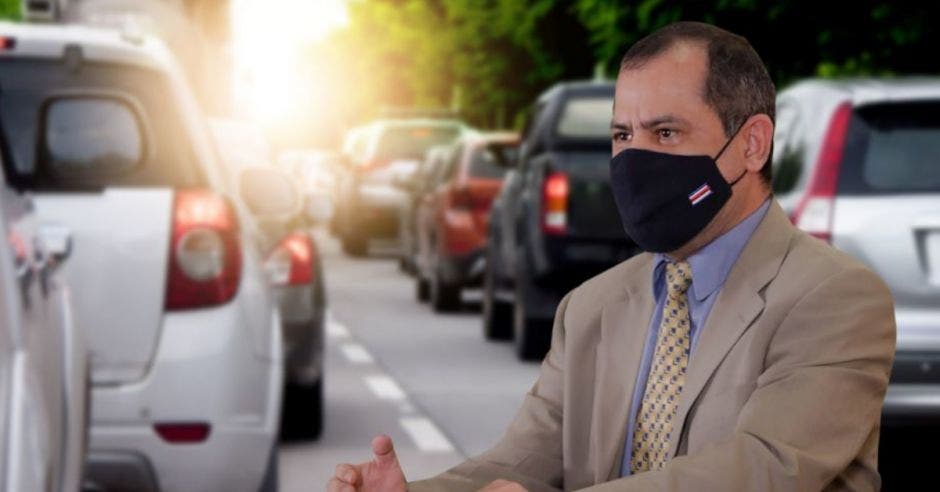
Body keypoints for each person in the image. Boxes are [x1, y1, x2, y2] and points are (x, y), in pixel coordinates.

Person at [327, 21, 896, 492]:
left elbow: (763, 469)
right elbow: (523, 462)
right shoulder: (590, 307)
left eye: (666, 132)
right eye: (623, 135)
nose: (635, 159)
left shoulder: (834, 297)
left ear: (751, 144)